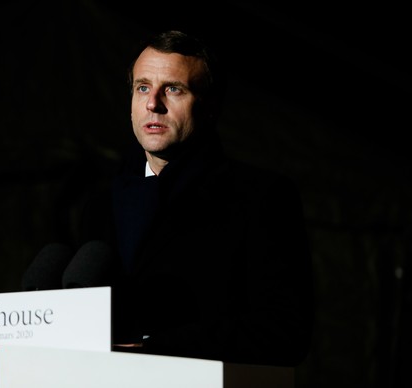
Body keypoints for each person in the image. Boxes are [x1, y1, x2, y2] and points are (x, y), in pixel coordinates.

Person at [74, 29, 315, 367]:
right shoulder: (100, 204)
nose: (152, 103)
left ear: (211, 105)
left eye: (174, 89)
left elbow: (283, 331)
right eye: (142, 87)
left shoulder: (261, 196)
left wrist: (148, 346)